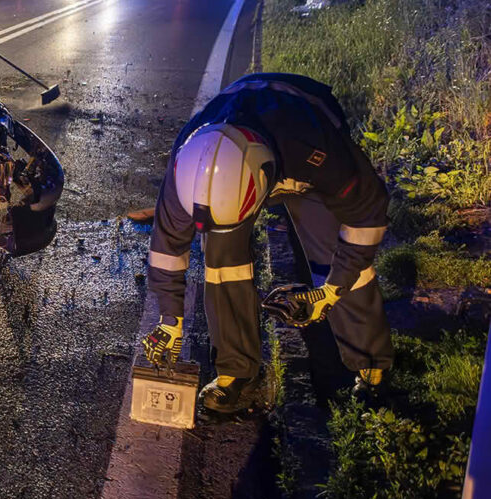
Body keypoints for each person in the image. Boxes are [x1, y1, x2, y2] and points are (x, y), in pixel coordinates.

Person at [141, 72, 393, 413]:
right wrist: (170, 320)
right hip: (244, 154)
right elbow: (167, 250)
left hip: (303, 154)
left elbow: (367, 215)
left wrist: (332, 290)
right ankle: (237, 370)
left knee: (335, 254)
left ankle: (370, 362)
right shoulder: (187, 164)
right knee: (221, 256)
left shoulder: (318, 149)